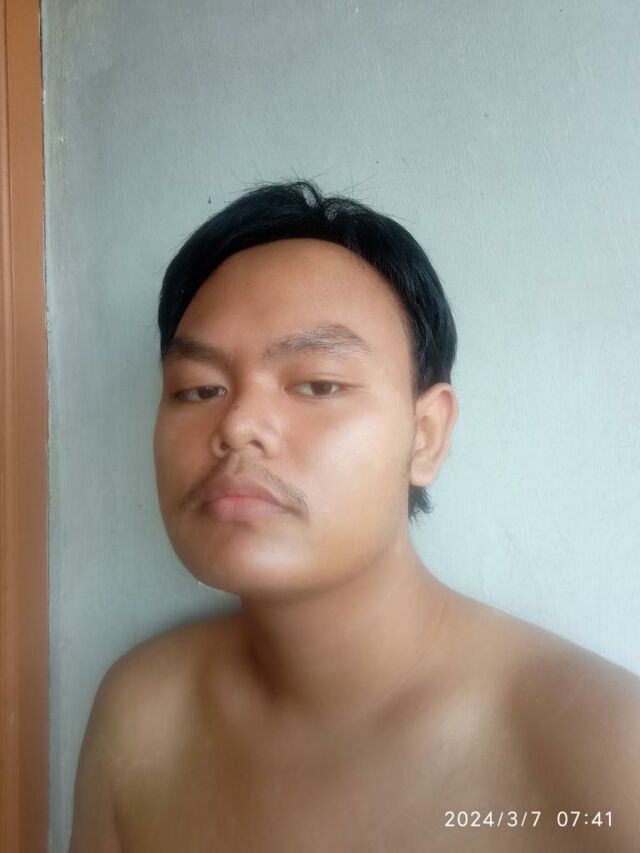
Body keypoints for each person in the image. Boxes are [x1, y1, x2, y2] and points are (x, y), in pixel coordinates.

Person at [69, 180, 640, 852]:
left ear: (426, 435)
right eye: (198, 389)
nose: (238, 423)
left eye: (318, 383)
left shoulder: (603, 753)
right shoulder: (141, 714)